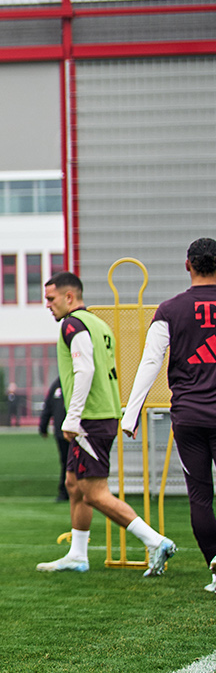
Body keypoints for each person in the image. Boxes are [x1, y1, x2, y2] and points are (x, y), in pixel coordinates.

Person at [36, 271, 175, 573]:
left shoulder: (73, 324)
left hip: (91, 418)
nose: (47, 305)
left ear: (69, 296)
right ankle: (77, 554)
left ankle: (155, 541)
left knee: (94, 492)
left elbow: (84, 370)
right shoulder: (98, 323)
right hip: (102, 414)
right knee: (73, 484)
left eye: (50, 298)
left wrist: (72, 418)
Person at [117, 237, 216, 592]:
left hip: (189, 417)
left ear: (187, 264)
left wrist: (131, 415)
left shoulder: (170, 310)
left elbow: (150, 363)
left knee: (201, 496)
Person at [38, 377, 70, 501]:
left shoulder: (76, 380)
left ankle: (76, 491)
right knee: (65, 462)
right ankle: (64, 492)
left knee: (74, 463)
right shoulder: (57, 384)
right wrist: (43, 427)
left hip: (76, 433)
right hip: (61, 432)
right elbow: (48, 406)